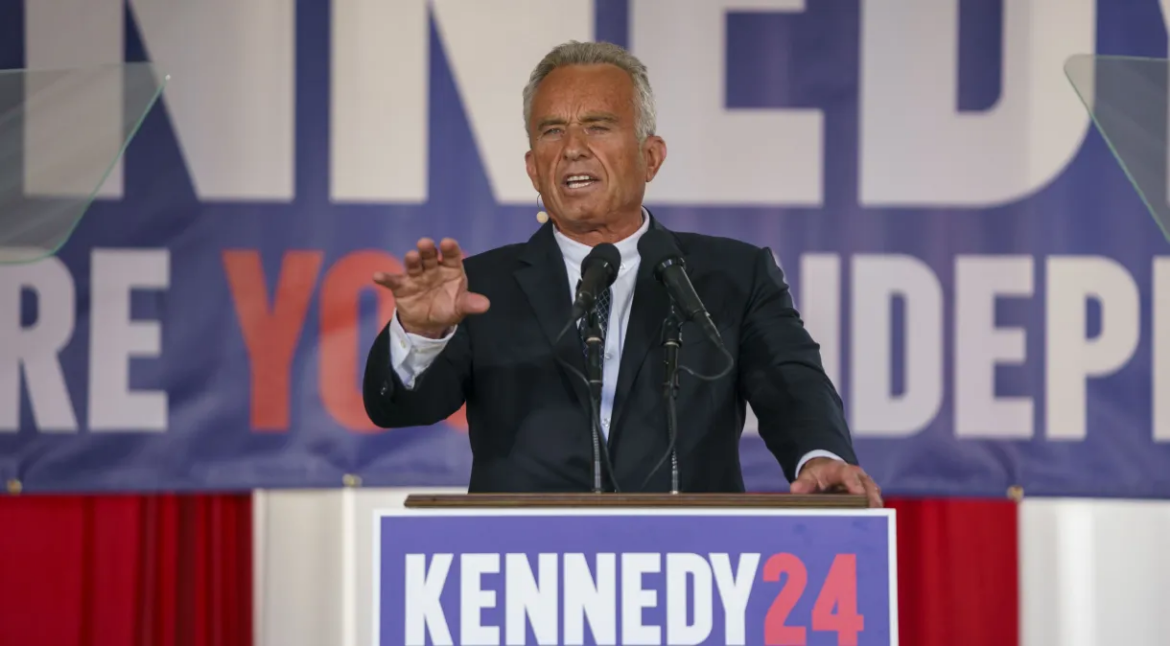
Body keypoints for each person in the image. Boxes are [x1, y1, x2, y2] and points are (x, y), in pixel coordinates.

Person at [362, 40, 881, 506]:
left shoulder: (733, 275)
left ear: (650, 157)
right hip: (526, 566)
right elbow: (398, 409)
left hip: (688, 560)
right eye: (552, 131)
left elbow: (791, 381)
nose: (572, 148)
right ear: (533, 167)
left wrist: (820, 456)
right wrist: (423, 335)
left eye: (598, 126)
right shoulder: (481, 287)